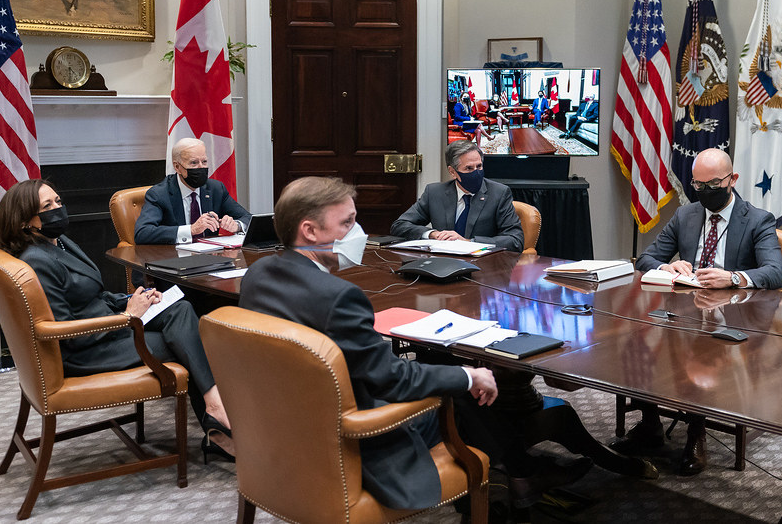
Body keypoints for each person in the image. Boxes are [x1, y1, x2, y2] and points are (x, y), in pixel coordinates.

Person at [239, 177, 588, 510]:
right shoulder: (338, 297)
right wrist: (469, 377)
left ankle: (519, 473)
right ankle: (521, 474)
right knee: (457, 387)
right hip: (353, 434)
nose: (357, 233)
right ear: (310, 231)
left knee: (446, 374)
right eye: (346, 223)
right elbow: (392, 379)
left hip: (285, 422)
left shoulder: (259, 274)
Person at [0, 179, 236, 463]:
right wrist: (127, 316)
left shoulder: (58, 243)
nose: (58, 209)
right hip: (88, 351)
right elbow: (67, 336)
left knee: (180, 309)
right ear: (25, 222)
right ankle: (217, 417)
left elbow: (92, 295)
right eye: (47, 206)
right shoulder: (37, 260)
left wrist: (134, 299)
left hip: (107, 324)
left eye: (58, 201)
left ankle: (214, 408)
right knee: (185, 341)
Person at [615, 148, 782, 475]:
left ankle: (696, 433)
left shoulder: (757, 219)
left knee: (700, 357)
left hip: (735, 319)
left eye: (714, 184)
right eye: (698, 185)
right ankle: (650, 424)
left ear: (732, 180)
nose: (706, 192)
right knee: (637, 340)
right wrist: (669, 264)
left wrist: (733, 277)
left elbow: (776, 272)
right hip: (686, 311)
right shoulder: (686, 215)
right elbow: (646, 259)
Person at [390, 139, 524, 253]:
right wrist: (432, 234)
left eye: (479, 166)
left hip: (483, 270)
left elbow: (515, 240)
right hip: (442, 264)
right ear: (452, 172)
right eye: (469, 168)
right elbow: (399, 225)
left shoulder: (499, 193)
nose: (476, 173)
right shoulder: (435, 192)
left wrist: (469, 242)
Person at [135, 138, 251, 245]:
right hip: (174, 259)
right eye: (194, 163)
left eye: (204, 162)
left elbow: (248, 218)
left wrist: (237, 226)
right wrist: (191, 229)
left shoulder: (216, 189)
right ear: (177, 167)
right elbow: (142, 233)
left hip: (211, 258)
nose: (201, 167)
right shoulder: (159, 194)